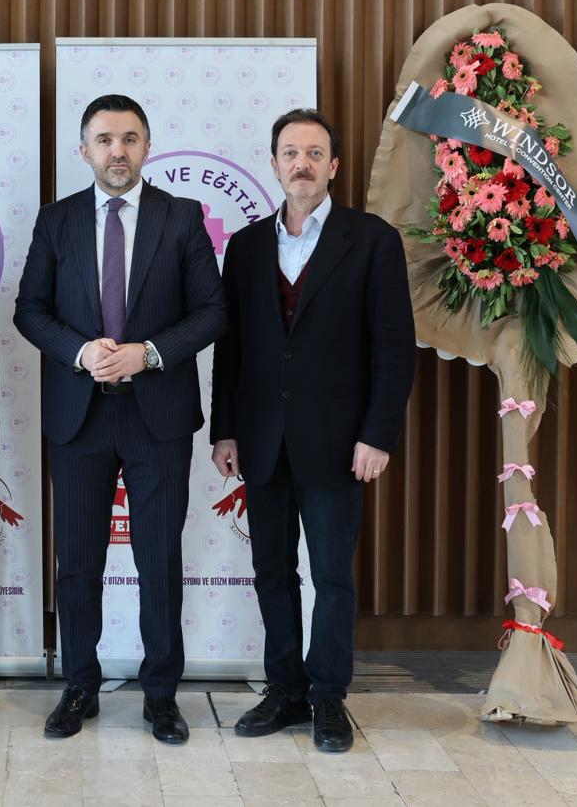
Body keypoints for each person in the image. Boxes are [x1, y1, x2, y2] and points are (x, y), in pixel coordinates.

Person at [14, 94, 226, 743]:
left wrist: (148, 352)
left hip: (156, 417)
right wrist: (82, 351)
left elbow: (211, 312)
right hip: (79, 419)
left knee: (158, 559)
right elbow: (30, 310)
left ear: (147, 147)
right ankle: (80, 686)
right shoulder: (56, 221)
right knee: (78, 562)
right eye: (104, 140)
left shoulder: (182, 218)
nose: (117, 151)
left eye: (130, 139)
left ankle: (161, 694)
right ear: (83, 150)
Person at [210, 108, 416, 752]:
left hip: (339, 443)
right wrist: (225, 430)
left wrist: (377, 434)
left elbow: (394, 349)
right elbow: (232, 349)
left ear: (333, 166)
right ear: (274, 163)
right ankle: (285, 692)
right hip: (262, 443)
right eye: (289, 152)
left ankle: (329, 697)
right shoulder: (244, 247)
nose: (301, 163)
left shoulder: (373, 240)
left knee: (331, 574)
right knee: (272, 573)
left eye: (314, 153)